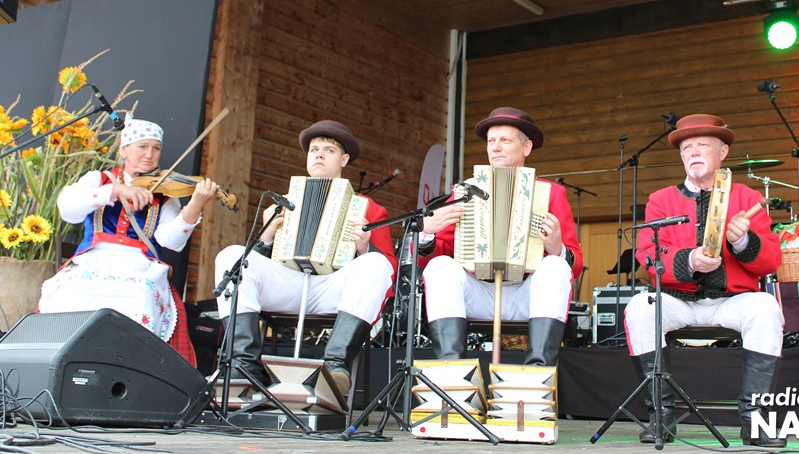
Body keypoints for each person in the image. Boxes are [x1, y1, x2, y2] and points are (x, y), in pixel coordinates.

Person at [623, 114, 786, 447]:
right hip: (679, 300)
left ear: (722, 152)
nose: (693, 152)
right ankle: (662, 417)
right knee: (640, 307)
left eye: (702, 145)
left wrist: (743, 241)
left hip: (732, 300)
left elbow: (772, 260)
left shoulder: (747, 197)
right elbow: (649, 257)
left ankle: (754, 419)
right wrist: (690, 261)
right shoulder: (660, 200)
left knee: (767, 307)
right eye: (687, 148)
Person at [214, 120, 395, 396]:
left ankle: (335, 366)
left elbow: (389, 269)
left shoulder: (368, 207)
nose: (319, 155)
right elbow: (253, 268)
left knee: (376, 263)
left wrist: (364, 248)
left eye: (329, 150)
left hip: (335, 289)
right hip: (288, 285)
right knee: (232, 255)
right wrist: (266, 238)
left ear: (344, 159)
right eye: (314, 150)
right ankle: (243, 367)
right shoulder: (285, 201)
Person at [39, 116, 221, 366]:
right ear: (124, 150)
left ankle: (124, 365)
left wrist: (195, 206)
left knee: (140, 295)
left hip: (140, 264)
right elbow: (67, 209)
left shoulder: (164, 193)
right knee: (69, 290)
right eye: (142, 146)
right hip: (94, 259)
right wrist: (114, 191)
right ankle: (67, 361)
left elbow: (171, 242)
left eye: (156, 148)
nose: (150, 154)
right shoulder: (98, 179)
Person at [418, 107, 583, 366]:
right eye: (491, 141)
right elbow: (433, 256)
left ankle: (538, 371)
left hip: (528, 296)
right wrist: (427, 233)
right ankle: (451, 370)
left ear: (526, 147)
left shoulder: (550, 193)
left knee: (555, 266)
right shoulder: (466, 191)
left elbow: (575, 265)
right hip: (478, 293)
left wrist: (557, 248)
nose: (495, 147)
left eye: (505, 140)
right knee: (440, 267)